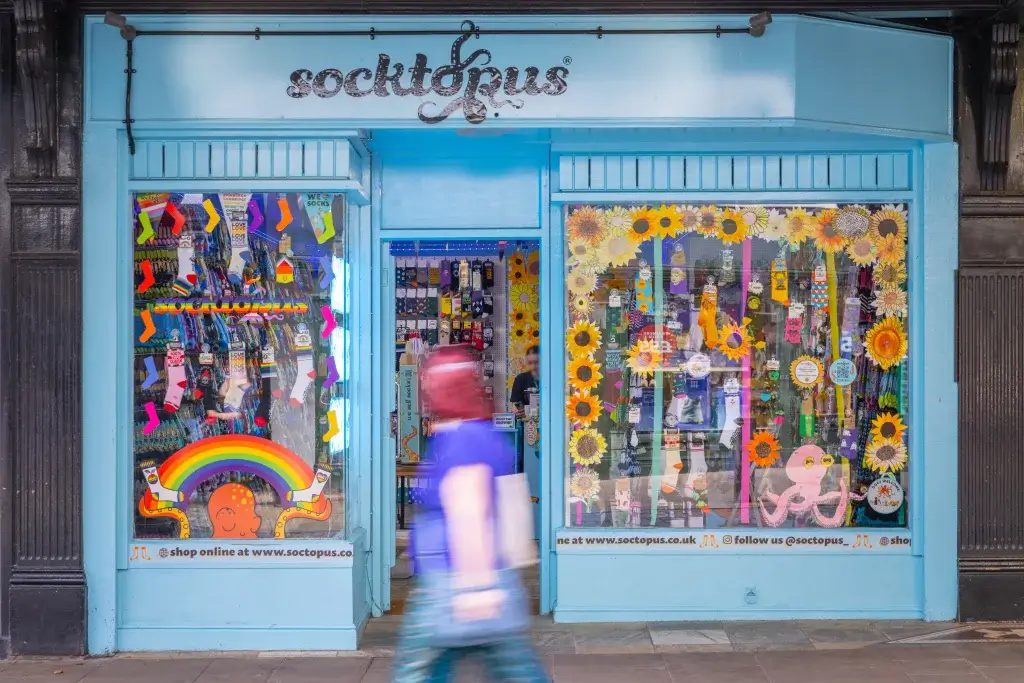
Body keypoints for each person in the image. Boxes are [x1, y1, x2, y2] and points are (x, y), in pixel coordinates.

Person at [392, 345, 548, 683]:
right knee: (514, 668)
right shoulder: (481, 432)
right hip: (486, 573)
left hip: (452, 580)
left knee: (415, 671)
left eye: (429, 382)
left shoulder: (461, 438)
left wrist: (476, 589)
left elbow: (469, 511)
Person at [509, 345, 539, 420]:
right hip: (527, 424)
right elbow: (515, 407)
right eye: (530, 363)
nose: (533, 366)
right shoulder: (520, 379)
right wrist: (517, 411)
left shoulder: (551, 380)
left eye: (537, 362)